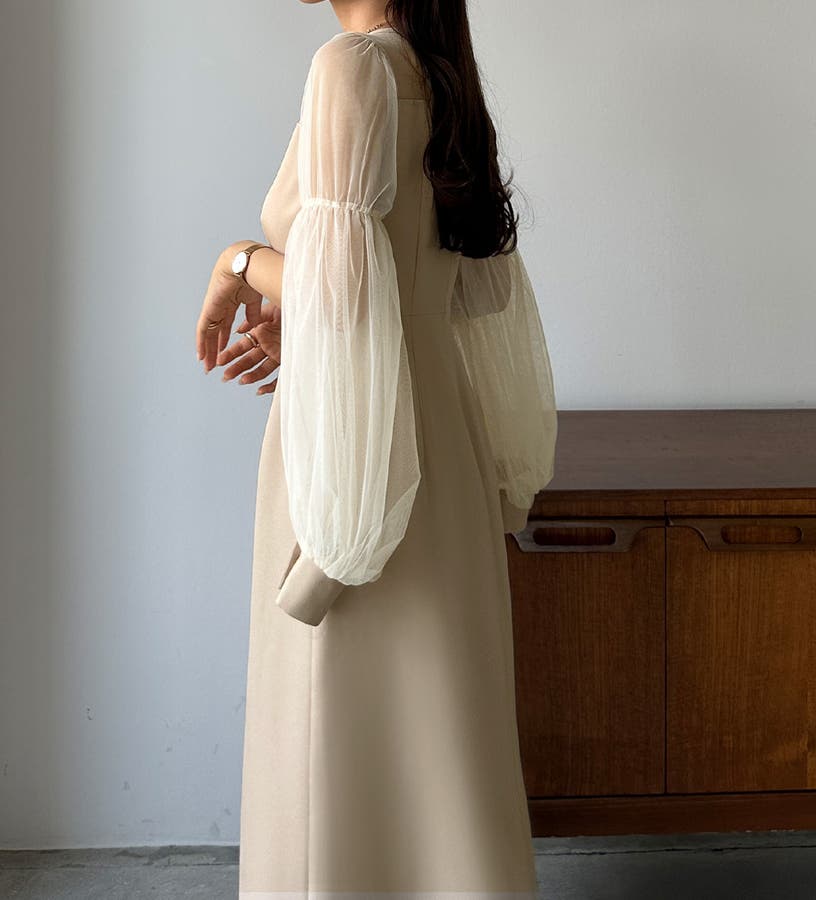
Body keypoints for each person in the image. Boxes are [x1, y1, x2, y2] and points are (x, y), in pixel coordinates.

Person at [195, 1, 557, 895]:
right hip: (437, 437)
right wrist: (316, 323)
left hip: (360, 455)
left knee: (341, 727)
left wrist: (239, 263)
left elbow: (346, 291)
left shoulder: (352, 66)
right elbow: (461, 294)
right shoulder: (437, 73)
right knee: (439, 730)